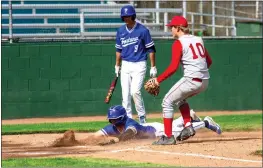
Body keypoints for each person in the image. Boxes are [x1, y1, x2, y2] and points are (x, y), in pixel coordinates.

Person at [146, 15, 213, 145]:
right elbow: (209, 61)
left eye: (172, 27)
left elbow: (173, 68)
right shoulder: (198, 39)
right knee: (179, 99)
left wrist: (157, 80)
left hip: (191, 80)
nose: (171, 30)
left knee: (167, 101)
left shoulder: (179, 43)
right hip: (204, 81)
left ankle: (168, 136)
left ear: (178, 28)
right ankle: (188, 125)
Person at [52, 105, 221, 147]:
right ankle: (189, 114)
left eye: (114, 119)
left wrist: (113, 142)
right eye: (110, 120)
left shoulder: (129, 123)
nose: (111, 122)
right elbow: (97, 135)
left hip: (157, 131)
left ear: (121, 118)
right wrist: (78, 142)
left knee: (182, 133)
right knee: (178, 125)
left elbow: (128, 135)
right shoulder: (113, 127)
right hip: (151, 126)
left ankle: (205, 122)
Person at [114, 5, 157, 123]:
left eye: (128, 16)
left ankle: (142, 117)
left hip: (139, 64)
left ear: (133, 16)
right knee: (125, 95)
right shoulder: (121, 31)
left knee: (135, 92)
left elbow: (151, 49)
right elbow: (119, 50)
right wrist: (117, 65)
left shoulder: (143, 30)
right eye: (124, 16)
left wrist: (153, 66)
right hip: (126, 64)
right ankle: (127, 119)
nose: (126, 18)